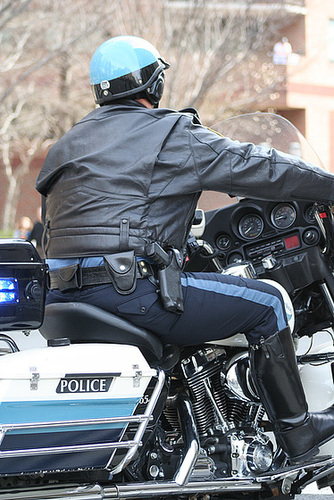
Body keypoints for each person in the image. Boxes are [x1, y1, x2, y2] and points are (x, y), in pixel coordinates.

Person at [36, 35, 334, 466]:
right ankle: (299, 432)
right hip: (128, 294)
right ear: (154, 83)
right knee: (268, 302)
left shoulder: (65, 145)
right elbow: (262, 167)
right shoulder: (169, 133)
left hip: (63, 299)